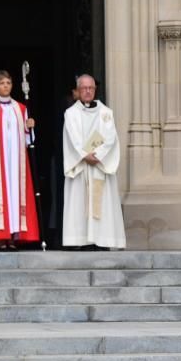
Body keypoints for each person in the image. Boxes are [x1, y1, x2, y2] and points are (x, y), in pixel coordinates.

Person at [0, 70, 40, 250]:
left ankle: (13, 237)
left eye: (8, 83)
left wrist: (30, 128)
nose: (5, 86)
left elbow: (29, 141)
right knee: (1, 197)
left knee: (15, 196)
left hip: (17, 163)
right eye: (2, 83)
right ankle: (0, 238)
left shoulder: (21, 108)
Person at [61, 74, 126, 249]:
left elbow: (110, 137)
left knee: (102, 205)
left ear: (95, 89)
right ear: (78, 90)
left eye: (91, 88)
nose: (88, 91)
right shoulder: (71, 113)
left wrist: (98, 156)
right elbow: (71, 138)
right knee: (80, 204)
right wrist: (84, 155)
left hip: (99, 166)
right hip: (81, 166)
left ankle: (103, 240)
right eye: (84, 88)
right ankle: (80, 241)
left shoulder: (106, 112)